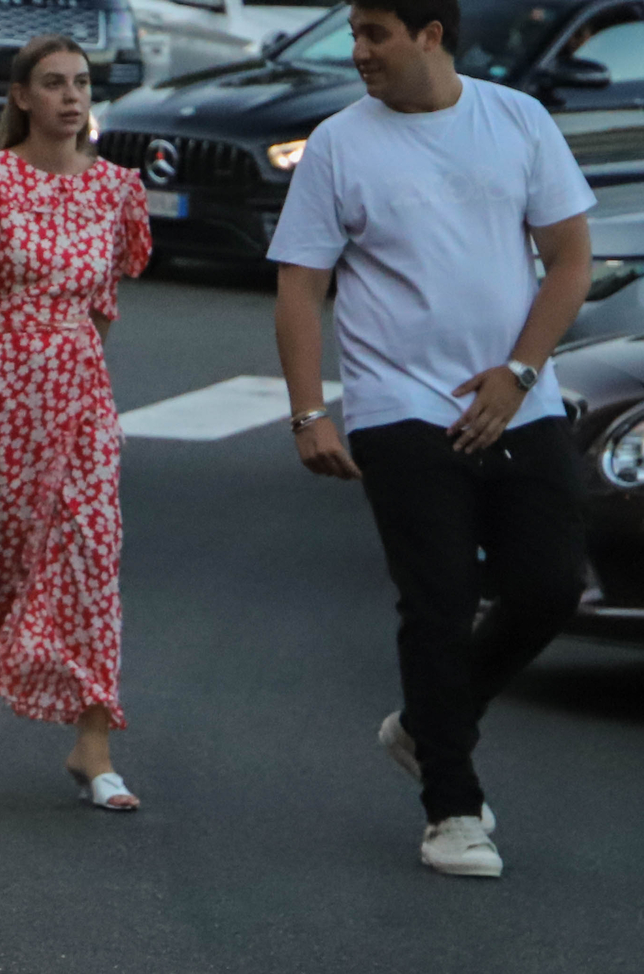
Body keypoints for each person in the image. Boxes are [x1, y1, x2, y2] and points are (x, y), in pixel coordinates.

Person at [269, 0, 592, 877]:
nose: (358, 52)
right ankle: (451, 807)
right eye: (354, 34)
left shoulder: (517, 119)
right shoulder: (339, 143)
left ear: (431, 35)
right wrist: (309, 413)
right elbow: (301, 288)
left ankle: (425, 725)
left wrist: (518, 371)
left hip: (519, 399)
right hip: (397, 406)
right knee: (440, 600)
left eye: (375, 35)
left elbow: (570, 259)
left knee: (551, 587)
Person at [0, 35, 150, 810]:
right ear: (22, 96)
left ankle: (94, 741)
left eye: (81, 83)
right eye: (53, 84)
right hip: (4, 381)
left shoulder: (115, 188)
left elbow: (105, 303)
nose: (71, 97)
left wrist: (77, 367)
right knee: (9, 560)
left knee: (93, 552)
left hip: (82, 388)